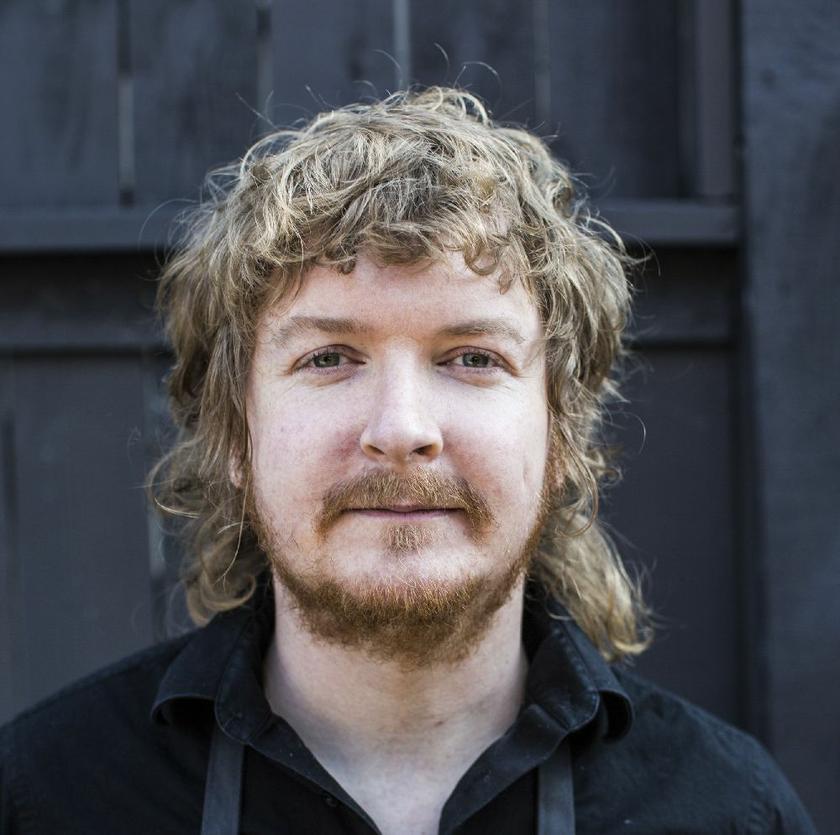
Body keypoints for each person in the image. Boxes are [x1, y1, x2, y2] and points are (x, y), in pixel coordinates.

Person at [0, 87, 815, 834]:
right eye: (328, 358)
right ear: (234, 434)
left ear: (561, 432)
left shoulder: (728, 810)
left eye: (470, 357)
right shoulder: (46, 798)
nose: (401, 427)